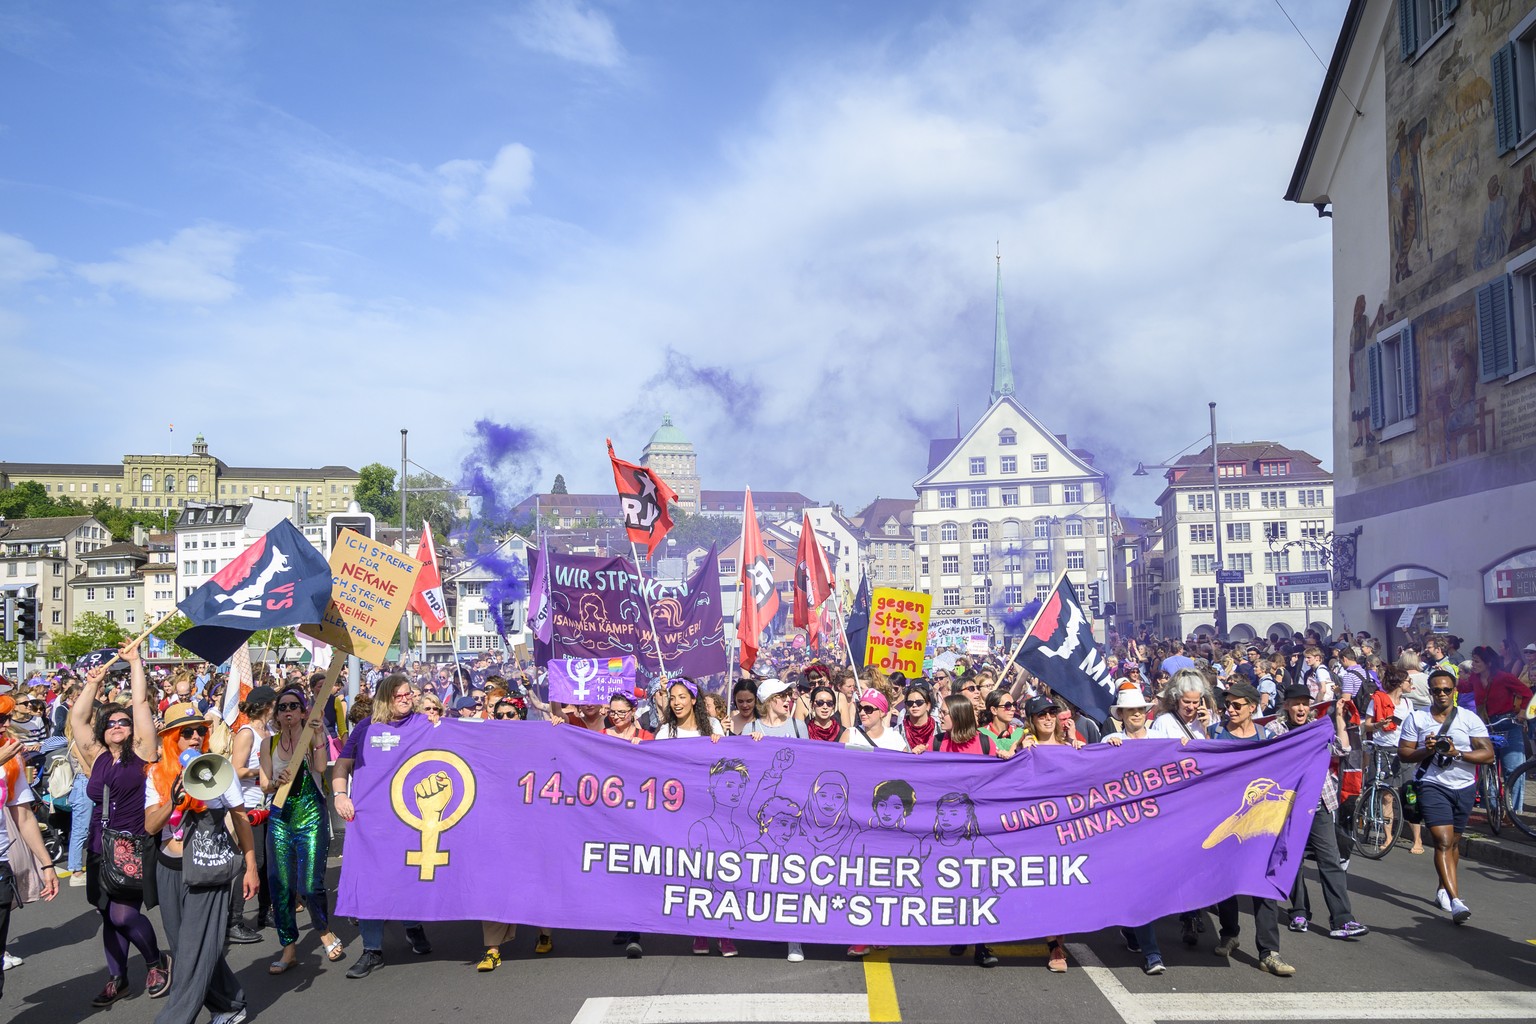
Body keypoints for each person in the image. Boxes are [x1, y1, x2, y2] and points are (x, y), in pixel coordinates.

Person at [145, 702, 262, 1024]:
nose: (196, 737)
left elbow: (240, 820)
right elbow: (151, 827)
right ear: (172, 739)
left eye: (201, 731)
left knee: (193, 954)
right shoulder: (156, 774)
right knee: (188, 950)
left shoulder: (221, 770)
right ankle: (231, 1003)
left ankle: (174, 1019)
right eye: (187, 733)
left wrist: (251, 867)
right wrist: (173, 798)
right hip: (169, 869)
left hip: (208, 870)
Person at [70, 649, 169, 1007]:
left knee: (123, 913)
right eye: (110, 723)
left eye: (122, 723)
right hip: (99, 845)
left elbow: (140, 702)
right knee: (107, 915)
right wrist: (92, 684)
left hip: (132, 843)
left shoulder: (143, 751)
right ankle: (118, 978)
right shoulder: (95, 756)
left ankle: (157, 962)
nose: (117, 726)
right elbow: (77, 720)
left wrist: (135, 663)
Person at [332, 674, 433, 979]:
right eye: (400, 696)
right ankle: (372, 950)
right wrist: (339, 795)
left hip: (409, 819)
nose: (406, 700)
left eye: (409, 695)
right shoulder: (365, 728)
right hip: (368, 821)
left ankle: (412, 925)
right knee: (370, 882)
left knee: (404, 876)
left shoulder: (424, 723)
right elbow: (342, 764)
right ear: (386, 697)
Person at [1204, 681, 1296, 976]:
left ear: (1252, 708)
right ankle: (1229, 934)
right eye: (1227, 705)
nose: (1230, 709)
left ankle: (1269, 952)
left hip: (1262, 824)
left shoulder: (1267, 737)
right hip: (1226, 817)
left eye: (1236, 705)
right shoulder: (1216, 733)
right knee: (1227, 880)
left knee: (1263, 884)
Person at [1265, 684, 1366, 942]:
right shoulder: (1275, 730)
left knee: (1330, 859)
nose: (1301, 708)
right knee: (1293, 859)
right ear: (1286, 705)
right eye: (1295, 703)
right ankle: (1299, 911)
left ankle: (1343, 918)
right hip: (1288, 804)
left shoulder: (1319, 727)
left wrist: (1340, 721)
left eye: (1304, 703)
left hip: (1319, 803)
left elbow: (1342, 750)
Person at [1399, 668, 1495, 925]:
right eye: (1436, 690)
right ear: (1429, 692)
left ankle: (1443, 888)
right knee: (1442, 840)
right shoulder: (1417, 719)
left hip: (1464, 787)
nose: (1441, 694)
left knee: (1453, 844)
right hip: (1433, 785)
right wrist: (1425, 750)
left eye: (1446, 689)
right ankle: (1456, 900)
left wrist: (1457, 753)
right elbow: (1404, 754)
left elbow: (1488, 754)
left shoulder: (1468, 718)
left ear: (1454, 692)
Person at [260, 686, 343, 974]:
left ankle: (323, 930)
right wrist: (275, 781)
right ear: (277, 714)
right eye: (282, 707)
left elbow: (321, 768)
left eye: (294, 706)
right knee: (280, 885)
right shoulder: (268, 744)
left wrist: (319, 735)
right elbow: (263, 784)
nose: (288, 711)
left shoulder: (311, 737)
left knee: (311, 883)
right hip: (280, 816)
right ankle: (289, 948)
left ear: (303, 711)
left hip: (310, 815)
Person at [1099, 687, 1165, 974]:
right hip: (1123, 827)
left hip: (1156, 826)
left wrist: (1189, 745)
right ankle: (1152, 952)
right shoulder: (1110, 741)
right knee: (1138, 889)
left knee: (1145, 888)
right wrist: (1105, 749)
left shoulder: (1163, 741)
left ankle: (1133, 928)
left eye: (1140, 709)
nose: (1136, 713)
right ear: (1121, 715)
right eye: (1130, 710)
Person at [0, 706, 61, 1004]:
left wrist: (46, 864)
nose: (7, 723)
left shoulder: (9, 757)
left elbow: (23, 816)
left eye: (6, 717)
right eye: (1, 718)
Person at [227, 687, 275, 945]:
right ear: (267, 706)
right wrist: (263, 772)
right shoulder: (247, 733)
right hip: (248, 804)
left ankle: (265, 911)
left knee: (268, 859)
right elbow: (235, 769)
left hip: (268, 803)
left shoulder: (271, 732)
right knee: (250, 861)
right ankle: (233, 920)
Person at [1147, 669, 1214, 741]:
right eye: (1186, 702)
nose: (1191, 707)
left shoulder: (1210, 721)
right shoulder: (1163, 723)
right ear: (1176, 698)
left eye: (1195, 702)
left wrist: (1207, 728)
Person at [843, 690, 910, 751]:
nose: (862, 713)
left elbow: (905, 762)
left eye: (868, 709)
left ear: (882, 712)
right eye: (860, 708)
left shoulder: (895, 738)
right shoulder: (850, 735)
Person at [742, 679, 807, 738]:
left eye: (789, 694)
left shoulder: (798, 726)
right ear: (768, 700)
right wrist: (751, 741)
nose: (788, 699)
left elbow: (806, 750)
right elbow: (743, 750)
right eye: (783, 695)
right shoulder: (750, 728)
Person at [980, 690, 1026, 754]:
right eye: (1008, 705)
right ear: (994, 710)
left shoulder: (1020, 734)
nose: (1013, 709)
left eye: (1014, 705)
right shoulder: (980, 734)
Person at [900, 684, 939, 753]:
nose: (914, 705)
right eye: (910, 703)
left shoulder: (940, 729)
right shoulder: (898, 731)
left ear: (928, 705)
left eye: (919, 702)